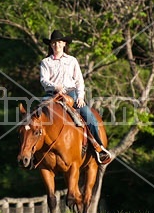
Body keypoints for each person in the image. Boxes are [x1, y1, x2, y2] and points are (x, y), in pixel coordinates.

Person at [40, 30, 112, 164]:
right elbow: (43, 80)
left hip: (71, 93)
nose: (57, 45)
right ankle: (32, 152)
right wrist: (55, 86)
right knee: (35, 115)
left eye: (59, 42)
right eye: (54, 43)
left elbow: (79, 80)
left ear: (64, 44)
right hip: (52, 94)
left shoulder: (72, 60)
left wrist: (80, 97)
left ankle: (98, 147)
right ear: (50, 45)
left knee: (88, 116)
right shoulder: (45, 62)